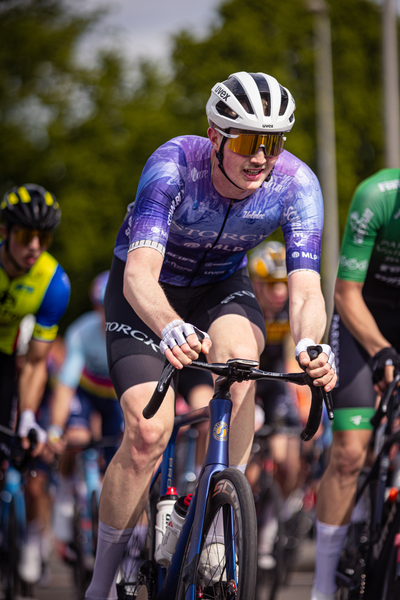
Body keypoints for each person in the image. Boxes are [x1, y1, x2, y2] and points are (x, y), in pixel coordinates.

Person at [85, 70, 337, 600]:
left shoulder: (297, 184)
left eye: (272, 142)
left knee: (242, 362)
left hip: (221, 284)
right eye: (247, 140)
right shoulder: (174, 165)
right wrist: (169, 324)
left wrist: (311, 342)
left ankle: (219, 520)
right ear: (216, 135)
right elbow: (137, 275)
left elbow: (307, 288)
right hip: (149, 291)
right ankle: (101, 582)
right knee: (149, 435)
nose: (260, 157)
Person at [310, 168, 400, 600]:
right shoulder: (377, 196)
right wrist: (383, 351)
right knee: (349, 452)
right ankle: (322, 586)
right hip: (363, 314)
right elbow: (346, 292)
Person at [48, 271, 124, 559]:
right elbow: (65, 388)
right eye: (102, 307)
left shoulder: (133, 332)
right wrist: (56, 428)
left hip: (115, 399)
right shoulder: (81, 332)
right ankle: (66, 496)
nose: (108, 314)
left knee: (122, 456)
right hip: (85, 394)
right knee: (77, 437)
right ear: (95, 308)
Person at [0, 183, 70, 459]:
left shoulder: (54, 283)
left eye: (44, 238)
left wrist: (27, 415)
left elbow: (36, 361)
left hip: (5, 357)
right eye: (27, 236)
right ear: (5, 232)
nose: (35, 246)